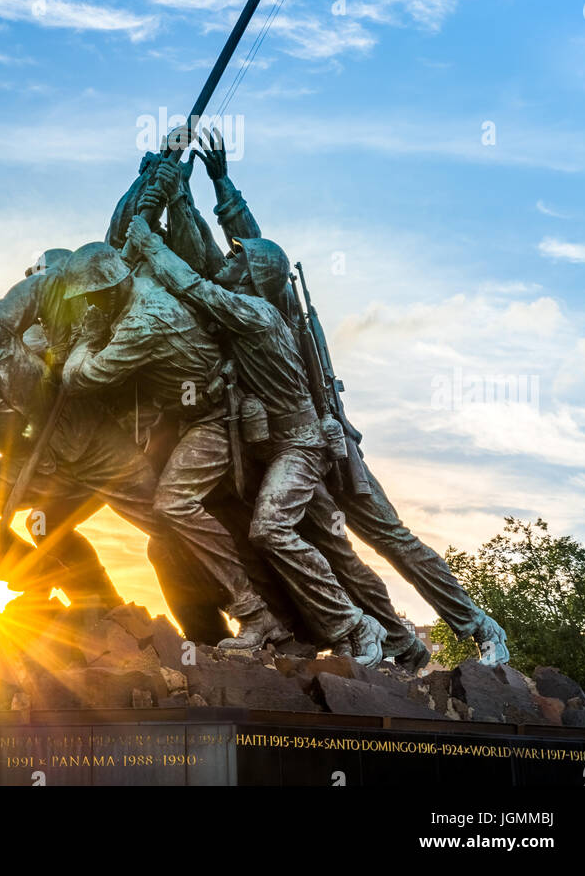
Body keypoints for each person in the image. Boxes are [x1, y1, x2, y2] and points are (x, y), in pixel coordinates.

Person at [123, 214, 387, 664]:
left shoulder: (254, 313)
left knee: (272, 528)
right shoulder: (244, 309)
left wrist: (150, 244)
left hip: (300, 445)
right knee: (277, 534)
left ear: (251, 275)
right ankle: (293, 624)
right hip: (272, 443)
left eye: (236, 256)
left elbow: (193, 286)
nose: (226, 258)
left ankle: (358, 625)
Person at [0, 268, 181, 617]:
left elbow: (50, 283)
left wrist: (62, 340)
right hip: (37, 467)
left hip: (92, 441)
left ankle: (251, 608)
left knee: (170, 520)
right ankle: (38, 576)